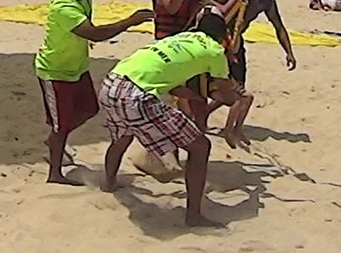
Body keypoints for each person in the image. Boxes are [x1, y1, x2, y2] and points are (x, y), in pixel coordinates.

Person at [99, 14, 245, 227]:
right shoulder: (215, 51)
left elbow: (173, 84)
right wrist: (235, 91)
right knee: (200, 146)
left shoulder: (180, 39)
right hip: (137, 95)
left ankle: (109, 183)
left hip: (112, 83)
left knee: (124, 135)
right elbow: (230, 98)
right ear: (224, 36)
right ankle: (194, 217)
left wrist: (196, 95)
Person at [34, 0, 148, 185]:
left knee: (89, 110)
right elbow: (95, 34)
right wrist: (130, 21)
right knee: (62, 126)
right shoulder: (64, 7)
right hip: (55, 72)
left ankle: (56, 138)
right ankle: (55, 173)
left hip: (77, 67)